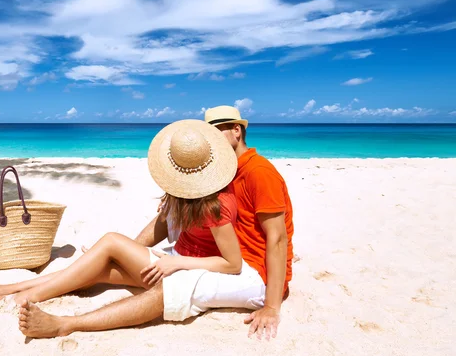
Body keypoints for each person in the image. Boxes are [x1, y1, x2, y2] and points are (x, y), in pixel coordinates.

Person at [16, 105, 294, 341]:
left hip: (254, 271)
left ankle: (66, 324)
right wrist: (130, 253)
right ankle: (22, 289)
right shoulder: (220, 170)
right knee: (112, 255)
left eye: (217, 130)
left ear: (237, 130)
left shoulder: (259, 173)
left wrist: (272, 305)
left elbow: (277, 239)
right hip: (222, 256)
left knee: (167, 291)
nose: (212, 139)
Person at [0, 119, 242, 309]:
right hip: (173, 262)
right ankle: (16, 287)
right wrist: (134, 253)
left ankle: (28, 296)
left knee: (110, 241)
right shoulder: (185, 195)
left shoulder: (216, 205)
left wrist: (177, 262)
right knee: (94, 267)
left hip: (188, 271)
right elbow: (162, 226)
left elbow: (233, 264)